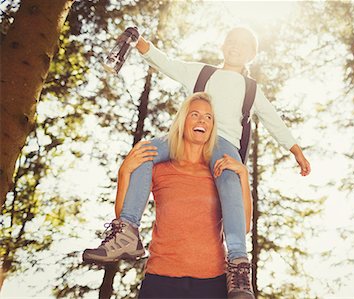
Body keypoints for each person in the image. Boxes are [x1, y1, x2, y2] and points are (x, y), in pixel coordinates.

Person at [85, 26, 310, 296]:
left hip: (224, 144)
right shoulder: (203, 73)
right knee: (144, 151)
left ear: (252, 55)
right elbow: (166, 63)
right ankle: (127, 232)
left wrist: (295, 149)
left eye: (243, 45)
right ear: (223, 45)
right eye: (231, 41)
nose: (236, 46)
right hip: (182, 138)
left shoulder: (251, 89)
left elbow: (273, 119)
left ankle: (238, 262)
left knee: (228, 177)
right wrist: (138, 41)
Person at [85, 93, 253, 298]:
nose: (202, 120)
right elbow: (125, 214)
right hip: (161, 280)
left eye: (209, 117)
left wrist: (243, 175)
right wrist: (124, 171)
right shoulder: (160, 168)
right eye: (195, 114)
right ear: (183, 121)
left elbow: (242, 227)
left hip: (212, 282)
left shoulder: (219, 173)